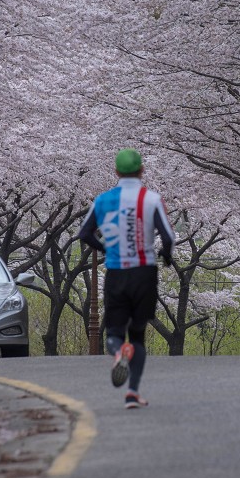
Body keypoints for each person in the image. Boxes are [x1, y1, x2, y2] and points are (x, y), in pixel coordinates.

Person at [79, 148, 175, 409]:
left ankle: (119, 352)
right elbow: (168, 238)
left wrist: (106, 248)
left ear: (116, 172)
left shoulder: (102, 200)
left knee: (114, 332)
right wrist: (166, 257)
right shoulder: (152, 199)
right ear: (142, 171)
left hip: (116, 273)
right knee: (138, 334)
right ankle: (132, 392)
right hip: (144, 272)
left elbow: (84, 233)